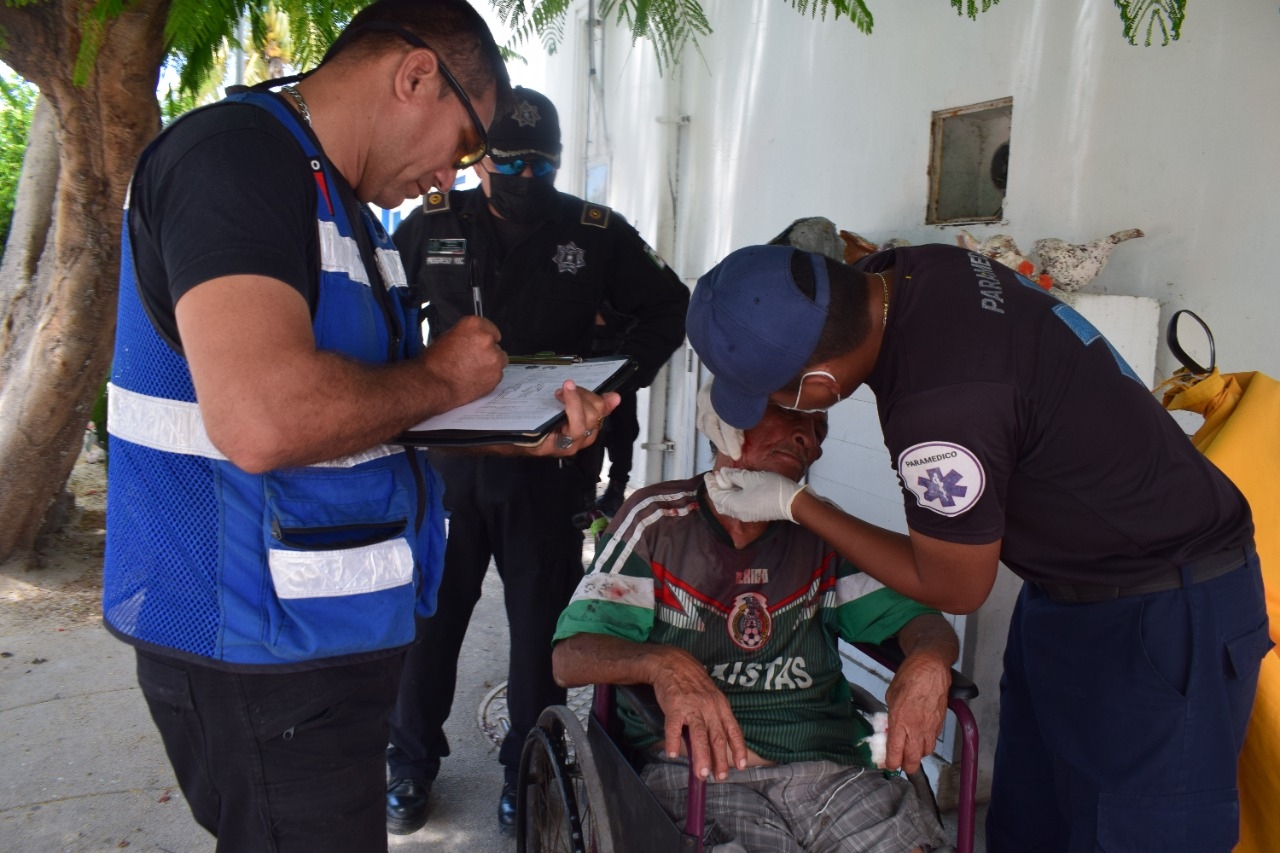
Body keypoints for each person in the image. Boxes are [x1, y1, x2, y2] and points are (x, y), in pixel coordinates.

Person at [102, 4, 616, 851]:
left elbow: (362, 406)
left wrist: (499, 427)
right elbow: (263, 418)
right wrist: (443, 375)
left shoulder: (334, 199)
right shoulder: (235, 158)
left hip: (314, 643)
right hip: (255, 644)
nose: (452, 179)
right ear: (416, 76)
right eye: (462, 146)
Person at [685, 243, 1272, 852]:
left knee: (1137, 834)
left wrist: (797, 504)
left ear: (822, 383)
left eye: (780, 401)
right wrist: (758, 396)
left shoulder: (943, 408)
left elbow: (956, 588)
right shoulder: (913, 273)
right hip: (1067, 595)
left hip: (1167, 616)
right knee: (1028, 825)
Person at [386, 85, 689, 832]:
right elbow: (385, 319)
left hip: (550, 464)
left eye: (539, 166)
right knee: (430, 620)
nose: (522, 178)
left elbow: (668, 307)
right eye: (506, 161)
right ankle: (407, 763)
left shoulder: (594, 232)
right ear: (478, 160)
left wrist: (607, 383)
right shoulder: (430, 227)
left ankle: (531, 768)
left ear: (556, 166)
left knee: (537, 630)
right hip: (448, 467)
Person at [551, 380, 956, 853]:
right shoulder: (656, 521)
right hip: (703, 773)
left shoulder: (820, 529)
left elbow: (923, 621)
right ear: (727, 420)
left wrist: (929, 661)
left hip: (834, 773)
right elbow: (572, 656)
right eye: (788, 413)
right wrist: (661, 662)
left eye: (819, 426)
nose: (811, 437)